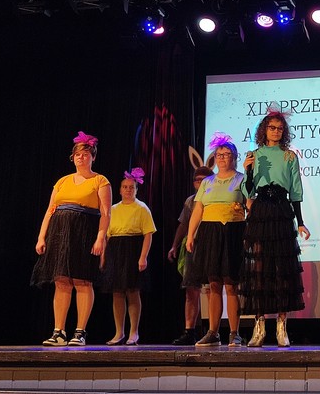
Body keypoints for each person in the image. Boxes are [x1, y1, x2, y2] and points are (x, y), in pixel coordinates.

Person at [31, 131, 112, 347]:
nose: (81, 157)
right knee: (61, 280)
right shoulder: (62, 181)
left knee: (82, 280)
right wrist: (41, 237)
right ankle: (59, 332)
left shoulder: (100, 180)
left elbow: (106, 213)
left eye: (85, 154)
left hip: (84, 232)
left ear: (93, 157)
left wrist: (100, 238)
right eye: (77, 154)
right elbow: (50, 210)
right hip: (60, 233)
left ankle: (80, 332)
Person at [241, 107, 310, 347]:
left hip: (281, 211)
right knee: (259, 269)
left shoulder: (289, 156)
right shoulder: (255, 154)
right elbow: (248, 191)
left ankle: (282, 326)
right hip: (261, 211)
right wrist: (248, 170)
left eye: (280, 128)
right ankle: (259, 327)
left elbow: (296, 191)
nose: (276, 131)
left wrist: (300, 222)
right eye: (272, 128)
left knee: (283, 270)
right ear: (264, 130)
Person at [185, 133, 246, 347]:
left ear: (234, 157)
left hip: (233, 231)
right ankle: (213, 332)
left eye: (227, 154)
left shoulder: (242, 179)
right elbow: (198, 210)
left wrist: (244, 210)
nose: (222, 158)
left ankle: (234, 333)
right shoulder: (207, 182)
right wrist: (191, 235)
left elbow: (250, 204)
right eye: (219, 154)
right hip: (210, 233)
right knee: (213, 284)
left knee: (231, 284)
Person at [101, 167, 156, 346]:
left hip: (133, 249)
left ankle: (134, 332)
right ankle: (119, 332)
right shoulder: (113, 209)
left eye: (131, 187)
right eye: (125, 187)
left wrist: (143, 257)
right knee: (117, 292)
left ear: (136, 190)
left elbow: (148, 234)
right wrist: (103, 257)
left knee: (133, 291)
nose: (128, 190)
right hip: (115, 251)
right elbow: (107, 236)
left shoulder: (142, 208)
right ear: (119, 190)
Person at [167, 165, 214, 345]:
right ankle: (190, 331)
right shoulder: (190, 201)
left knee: (212, 288)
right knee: (191, 289)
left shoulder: (215, 198)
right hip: (192, 246)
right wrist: (174, 245)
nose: (199, 183)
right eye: (197, 180)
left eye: (203, 180)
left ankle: (213, 329)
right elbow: (183, 224)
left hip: (210, 245)